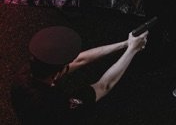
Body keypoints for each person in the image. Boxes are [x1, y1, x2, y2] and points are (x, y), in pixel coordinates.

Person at [11, 25, 148, 124]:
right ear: (57, 75)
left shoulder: (26, 73)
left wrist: (125, 44)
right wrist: (132, 50)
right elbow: (103, 86)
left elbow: (79, 60)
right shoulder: (58, 105)